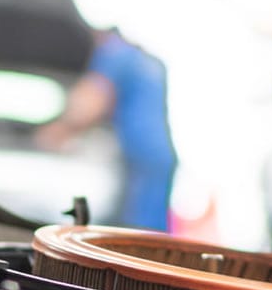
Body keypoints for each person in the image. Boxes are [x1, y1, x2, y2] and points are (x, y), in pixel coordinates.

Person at [37, 24, 176, 231]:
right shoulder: (145, 59)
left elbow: (90, 102)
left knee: (133, 236)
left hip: (140, 159)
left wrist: (58, 131)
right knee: (147, 233)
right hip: (159, 156)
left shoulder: (113, 53)